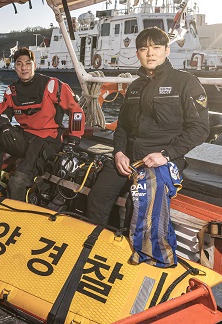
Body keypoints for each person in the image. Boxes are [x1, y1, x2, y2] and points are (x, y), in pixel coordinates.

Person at [86, 27, 209, 226]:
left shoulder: (186, 83)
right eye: (144, 49)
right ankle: (99, 246)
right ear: (137, 54)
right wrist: (118, 153)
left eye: (156, 47)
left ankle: (134, 250)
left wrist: (166, 155)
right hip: (129, 159)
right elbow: (123, 127)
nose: (150, 53)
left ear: (167, 50)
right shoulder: (134, 86)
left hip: (163, 160)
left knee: (138, 209)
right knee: (97, 198)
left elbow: (200, 128)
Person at [0, 47, 85, 200]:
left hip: (47, 140)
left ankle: (18, 210)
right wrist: (4, 127)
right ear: (14, 67)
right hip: (25, 137)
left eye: (28, 63)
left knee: (17, 182)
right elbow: (0, 112)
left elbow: (76, 111)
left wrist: (74, 140)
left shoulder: (52, 85)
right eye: (19, 64)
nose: (24, 68)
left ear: (34, 65)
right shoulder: (12, 91)